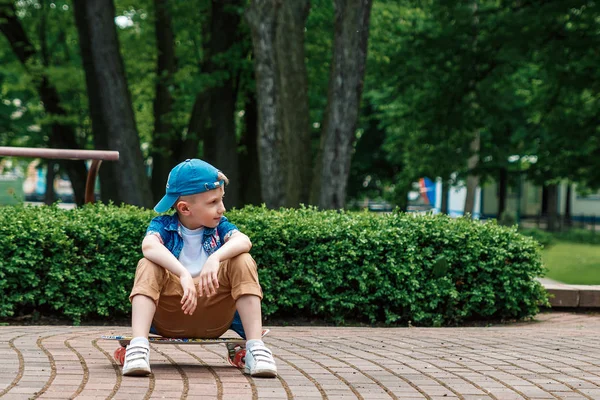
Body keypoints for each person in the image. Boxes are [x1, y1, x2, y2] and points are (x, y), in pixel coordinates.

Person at [122, 158, 277, 378]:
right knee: (147, 264)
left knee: (242, 259)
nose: (222, 208)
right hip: (171, 315)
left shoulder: (220, 227)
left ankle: (255, 348)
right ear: (185, 208)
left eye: (221, 200)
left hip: (215, 316)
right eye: (213, 202)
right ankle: (138, 348)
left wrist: (214, 259)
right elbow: (148, 246)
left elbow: (244, 241)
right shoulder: (163, 226)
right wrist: (183, 274)